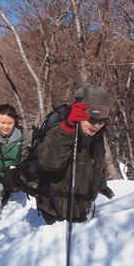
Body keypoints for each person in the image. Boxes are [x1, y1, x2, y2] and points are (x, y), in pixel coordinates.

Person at [36, 84, 115, 225]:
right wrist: (67, 129)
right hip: (56, 211)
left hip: (84, 206)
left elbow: (98, 161)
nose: (96, 125)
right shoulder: (60, 131)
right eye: (92, 119)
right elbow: (48, 162)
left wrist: (101, 184)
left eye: (102, 121)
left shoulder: (96, 136)